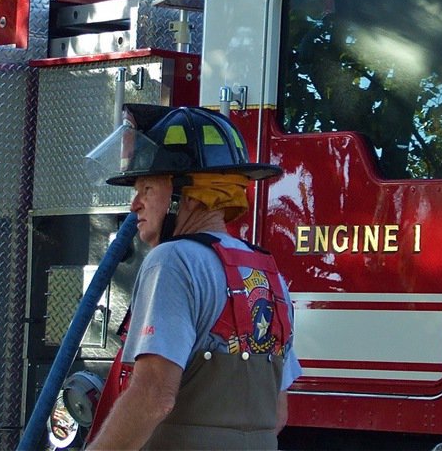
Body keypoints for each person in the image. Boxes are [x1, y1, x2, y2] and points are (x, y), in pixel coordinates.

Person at [87, 106, 301, 451]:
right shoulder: (265, 271)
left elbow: (154, 395)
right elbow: (276, 413)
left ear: (182, 194)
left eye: (146, 188)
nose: (134, 205)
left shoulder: (172, 261)